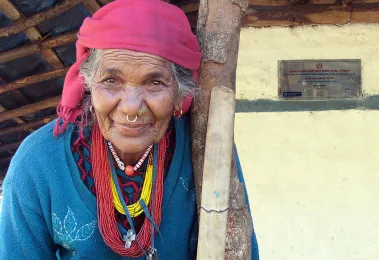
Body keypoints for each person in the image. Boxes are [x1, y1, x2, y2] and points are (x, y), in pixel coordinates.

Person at [0, 0, 258, 259]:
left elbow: (238, 246)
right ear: (89, 85)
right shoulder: (38, 162)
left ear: (180, 95)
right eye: (111, 80)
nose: (131, 107)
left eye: (155, 82)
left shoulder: (208, 149)